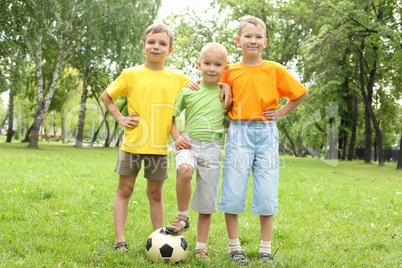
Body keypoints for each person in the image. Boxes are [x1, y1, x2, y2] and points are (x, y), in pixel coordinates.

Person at [101, 23, 232, 252]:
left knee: (155, 193)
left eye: (162, 43)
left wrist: (226, 86)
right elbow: (107, 96)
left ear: (170, 50)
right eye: (151, 42)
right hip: (133, 144)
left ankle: (159, 238)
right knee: (125, 189)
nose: (156, 47)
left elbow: (208, 81)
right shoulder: (131, 74)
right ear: (143, 46)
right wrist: (121, 119)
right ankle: (119, 239)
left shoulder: (177, 78)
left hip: (159, 148)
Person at [218, 16, 308, 265]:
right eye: (247, 36)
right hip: (238, 132)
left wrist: (280, 113)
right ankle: (234, 247)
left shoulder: (275, 69)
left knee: (267, 191)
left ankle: (265, 248)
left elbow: (300, 93)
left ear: (265, 42)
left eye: (258, 37)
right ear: (238, 41)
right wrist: (221, 85)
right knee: (233, 189)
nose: (253, 41)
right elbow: (210, 84)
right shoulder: (229, 71)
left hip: (266, 132)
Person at [166, 42, 229, 262]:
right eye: (207, 63)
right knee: (184, 170)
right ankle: (182, 217)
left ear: (225, 67)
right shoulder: (189, 90)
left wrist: (227, 86)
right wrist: (177, 138)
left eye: (217, 64)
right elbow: (170, 118)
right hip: (188, 144)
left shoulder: (226, 94)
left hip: (212, 148)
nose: (212, 68)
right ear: (199, 64)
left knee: (206, 201)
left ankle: (201, 247)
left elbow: (231, 120)